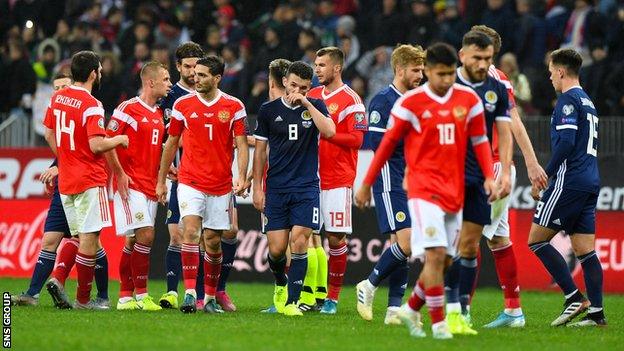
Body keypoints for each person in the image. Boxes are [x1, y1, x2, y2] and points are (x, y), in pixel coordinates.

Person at [355, 42, 497, 340]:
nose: (446, 80)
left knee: (445, 259)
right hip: (419, 187)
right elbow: (386, 144)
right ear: (431, 72)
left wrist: (488, 176)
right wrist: (367, 182)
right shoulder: (409, 103)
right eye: (439, 74)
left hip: (453, 189)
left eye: (449, 74)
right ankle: (439, 324)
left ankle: (407, 307)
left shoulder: (468, 99)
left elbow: (481, 141)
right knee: (429, 254)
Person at [156, 55, 249, 314]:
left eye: (203, 75)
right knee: (191, 231)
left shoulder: (234, 106)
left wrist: (242, 175)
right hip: (190, 180)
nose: (196, 79)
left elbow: (242, 143)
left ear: (217, 78)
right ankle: (189, 294)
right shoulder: (183, 105)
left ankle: (208, 297)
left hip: (220, 184)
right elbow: (171, 142)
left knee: (213, 241)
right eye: (195, 74)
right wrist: (162, 179)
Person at [470, 24, 549, 328]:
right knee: (498, 240)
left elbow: (513, 120)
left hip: (493, 167)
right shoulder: (483, 78)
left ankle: (460, 311)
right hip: (493, 166)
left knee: (468, 239)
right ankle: (514, 310)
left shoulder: (494, 80)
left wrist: (531, 162)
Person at [11, 73, 109, 309]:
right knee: (50, 240)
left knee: (89, 241)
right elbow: (57, 142)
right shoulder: (63, 109)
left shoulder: (81, 105)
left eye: (63, 86)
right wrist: (60, 165)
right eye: (56, 89)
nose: (59, 92)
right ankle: (33, 293)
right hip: (64, 186)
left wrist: (60, 166)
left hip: (81, 180)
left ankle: (98, 293)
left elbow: (85, 148)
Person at [42, 50, 129, 309]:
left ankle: (58, 277)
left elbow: (48, 133)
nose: (101, 74)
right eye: (100, 70)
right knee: (89, 240)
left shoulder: (58, 97)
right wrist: (120, 139)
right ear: (93, 73)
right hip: (89, 179)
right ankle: (83, 301)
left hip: (67, 179)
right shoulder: (92, 105)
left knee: (79, 236)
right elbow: (96, 145)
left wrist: (65, 159)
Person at [528, 48, 605, 327]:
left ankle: (573, 296)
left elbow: (566, 143)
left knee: (536, 240)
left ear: (561, 71)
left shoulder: (568, 101)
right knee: (585, 251)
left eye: (551, 73)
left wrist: (543, 176)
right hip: (590, 181)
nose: (550, 78)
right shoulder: (588, 101)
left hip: (569, 180)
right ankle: (597, 314)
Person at [442, 31, 512, 335]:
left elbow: (504, 131)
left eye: (488, 58)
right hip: (443, 176)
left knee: (469, 245)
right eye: (477, 58)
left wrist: (505, 172)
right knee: (445, 249)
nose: (483, 64)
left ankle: (462, 312)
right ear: (462, 55)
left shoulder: (495, 88)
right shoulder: (444, 82)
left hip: (478, 177)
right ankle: (437, 306)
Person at [252, 61, 336, 317]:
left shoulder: (316, 106)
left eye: (303, 87)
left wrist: (308, 104)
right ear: (285, 82)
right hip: (276, 189)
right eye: (293, 85)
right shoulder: (268, 111)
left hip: (306, 188)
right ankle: (280, 283)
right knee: (277, 251)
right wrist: (257, 187)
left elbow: (330, 132)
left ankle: (292, 302)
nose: (296, 91)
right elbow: (260, 152)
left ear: (309, 88)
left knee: (300, 240)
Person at [355, 44, 426, 325]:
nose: (420, 75)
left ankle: (393, 309)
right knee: (407, 242)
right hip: (390, 178)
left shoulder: (420, 100)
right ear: (399, 70)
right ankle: (368, 285)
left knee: (400, 245)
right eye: (415, 70)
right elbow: (375, 143)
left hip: (413, 180)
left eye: (422, 69)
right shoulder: (383, 101)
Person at [307, 47, 367, 314]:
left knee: (335, 238)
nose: (317, 69)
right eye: (315, 65)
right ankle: (309, 294)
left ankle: (331, 299)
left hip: (338, 178)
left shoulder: (352, 100)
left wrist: (328, 134)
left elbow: (357, 140)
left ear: (337, 68)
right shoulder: (311, 95)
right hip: (309, 177)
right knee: (305, 236)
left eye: (322, 65)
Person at [108, 62, 171, 311]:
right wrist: (120, 174)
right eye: (165, 79)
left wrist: (164, 172)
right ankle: (142, 296)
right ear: (151, 82)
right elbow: (107, 142)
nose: (169, 84)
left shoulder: (157, 114)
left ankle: (125, 297)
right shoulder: (128, 108)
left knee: (133, 242)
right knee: (145, 235)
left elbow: (152, 150)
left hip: (149, 187)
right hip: (130, 184)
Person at [158, 42, 204, 310]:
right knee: (178, 234)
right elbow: (160, 136)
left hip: (207, 178)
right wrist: (160, 171)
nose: (192, 71)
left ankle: (204, 294)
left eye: (195, 66)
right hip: (178, 177)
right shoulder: (169, 96)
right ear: (178, 67)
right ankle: (173, 291)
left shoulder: (208, 92)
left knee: (205, 237)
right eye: (187, 66)